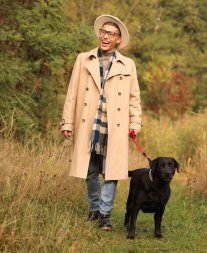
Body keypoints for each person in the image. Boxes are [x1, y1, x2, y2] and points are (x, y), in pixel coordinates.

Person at [60, 14, 142, 231]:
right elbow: (72, 93)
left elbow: (134, 98)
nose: (105, 36)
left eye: (111, 34)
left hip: (115, 125)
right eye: (103, 32)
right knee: (90, 170)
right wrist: (67, 122)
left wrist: (135, 123)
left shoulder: (128, 64)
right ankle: (94, 209)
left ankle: (105, 214)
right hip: (89, 124)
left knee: (112, 172)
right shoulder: (83, 59)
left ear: (118, 39)